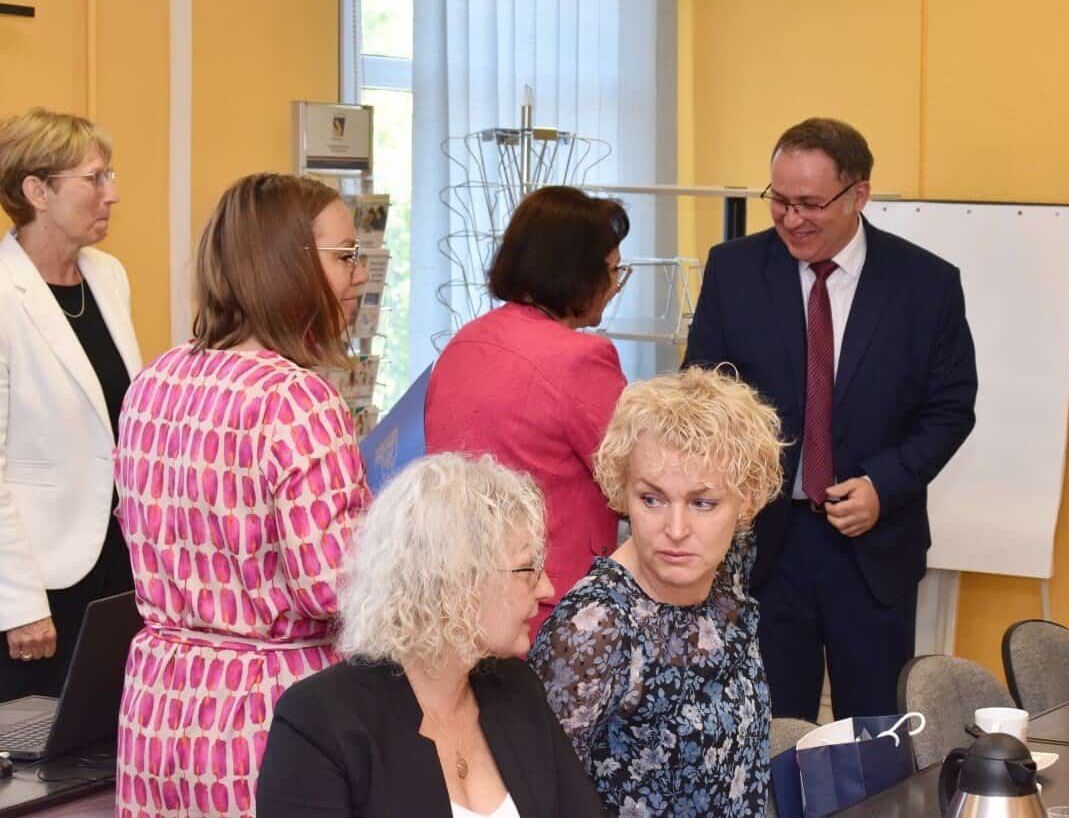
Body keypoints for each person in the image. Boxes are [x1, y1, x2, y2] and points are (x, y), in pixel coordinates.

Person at [682, 117, 978, 721]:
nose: (792, 219)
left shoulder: (926, 284)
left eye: (810, 204)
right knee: (769, 731)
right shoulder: (734, 270)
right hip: (764, 547)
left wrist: (884, 485)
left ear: (858, 194)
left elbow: (950, 408)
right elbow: (703, 394)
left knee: (872, 736)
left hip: (873, 547)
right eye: (780, 200)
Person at [113, 173, 373, 817]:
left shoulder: (153, 382)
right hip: (268, 706)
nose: (361, 275)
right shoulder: (297, 399)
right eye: (345, 256)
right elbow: (330, 586)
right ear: (287, 264)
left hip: (158, 699)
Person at [257, 453, 605, 817]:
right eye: (527, 569)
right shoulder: (319, 722)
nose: (547, 588)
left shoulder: (518, 688)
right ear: (456, 581)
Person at [529, 367, 784, 817]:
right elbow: (539, 795)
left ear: (746, 500)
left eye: (703, 503)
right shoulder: (595, 629)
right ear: (623, 491)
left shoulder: (727, 563)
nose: (676, 530)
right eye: (652, 499)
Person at [426, 186, 630, 635]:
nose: (615, 287)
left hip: (464, 598)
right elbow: (634, 476)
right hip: (552, 604)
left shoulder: (464, 343)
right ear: (580, 273)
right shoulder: (579, 359)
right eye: (613, 271)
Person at [0, 108, 141, 700]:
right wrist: (18, 603)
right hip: (38, 580)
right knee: (36, 747)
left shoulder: (108, 276)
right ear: (37, 191)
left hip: (118, 561)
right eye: (94, 178)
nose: (112, 194)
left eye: (110, 175)